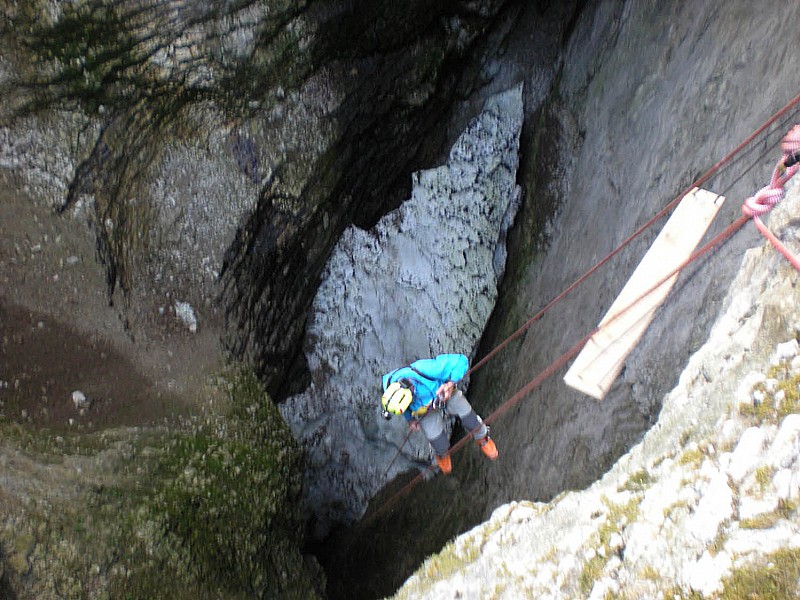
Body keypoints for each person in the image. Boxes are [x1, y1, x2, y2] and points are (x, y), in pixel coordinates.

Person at [380, 353, 498, 474]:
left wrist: (451, 383)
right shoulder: (389, 390)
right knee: (439, 443)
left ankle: (483, 438)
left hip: (444, 393)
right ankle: (442, 454)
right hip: (424, 411)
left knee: (471, 420)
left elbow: (461, 361)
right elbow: (403, 408)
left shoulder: (426, 369)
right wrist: (410, 420)